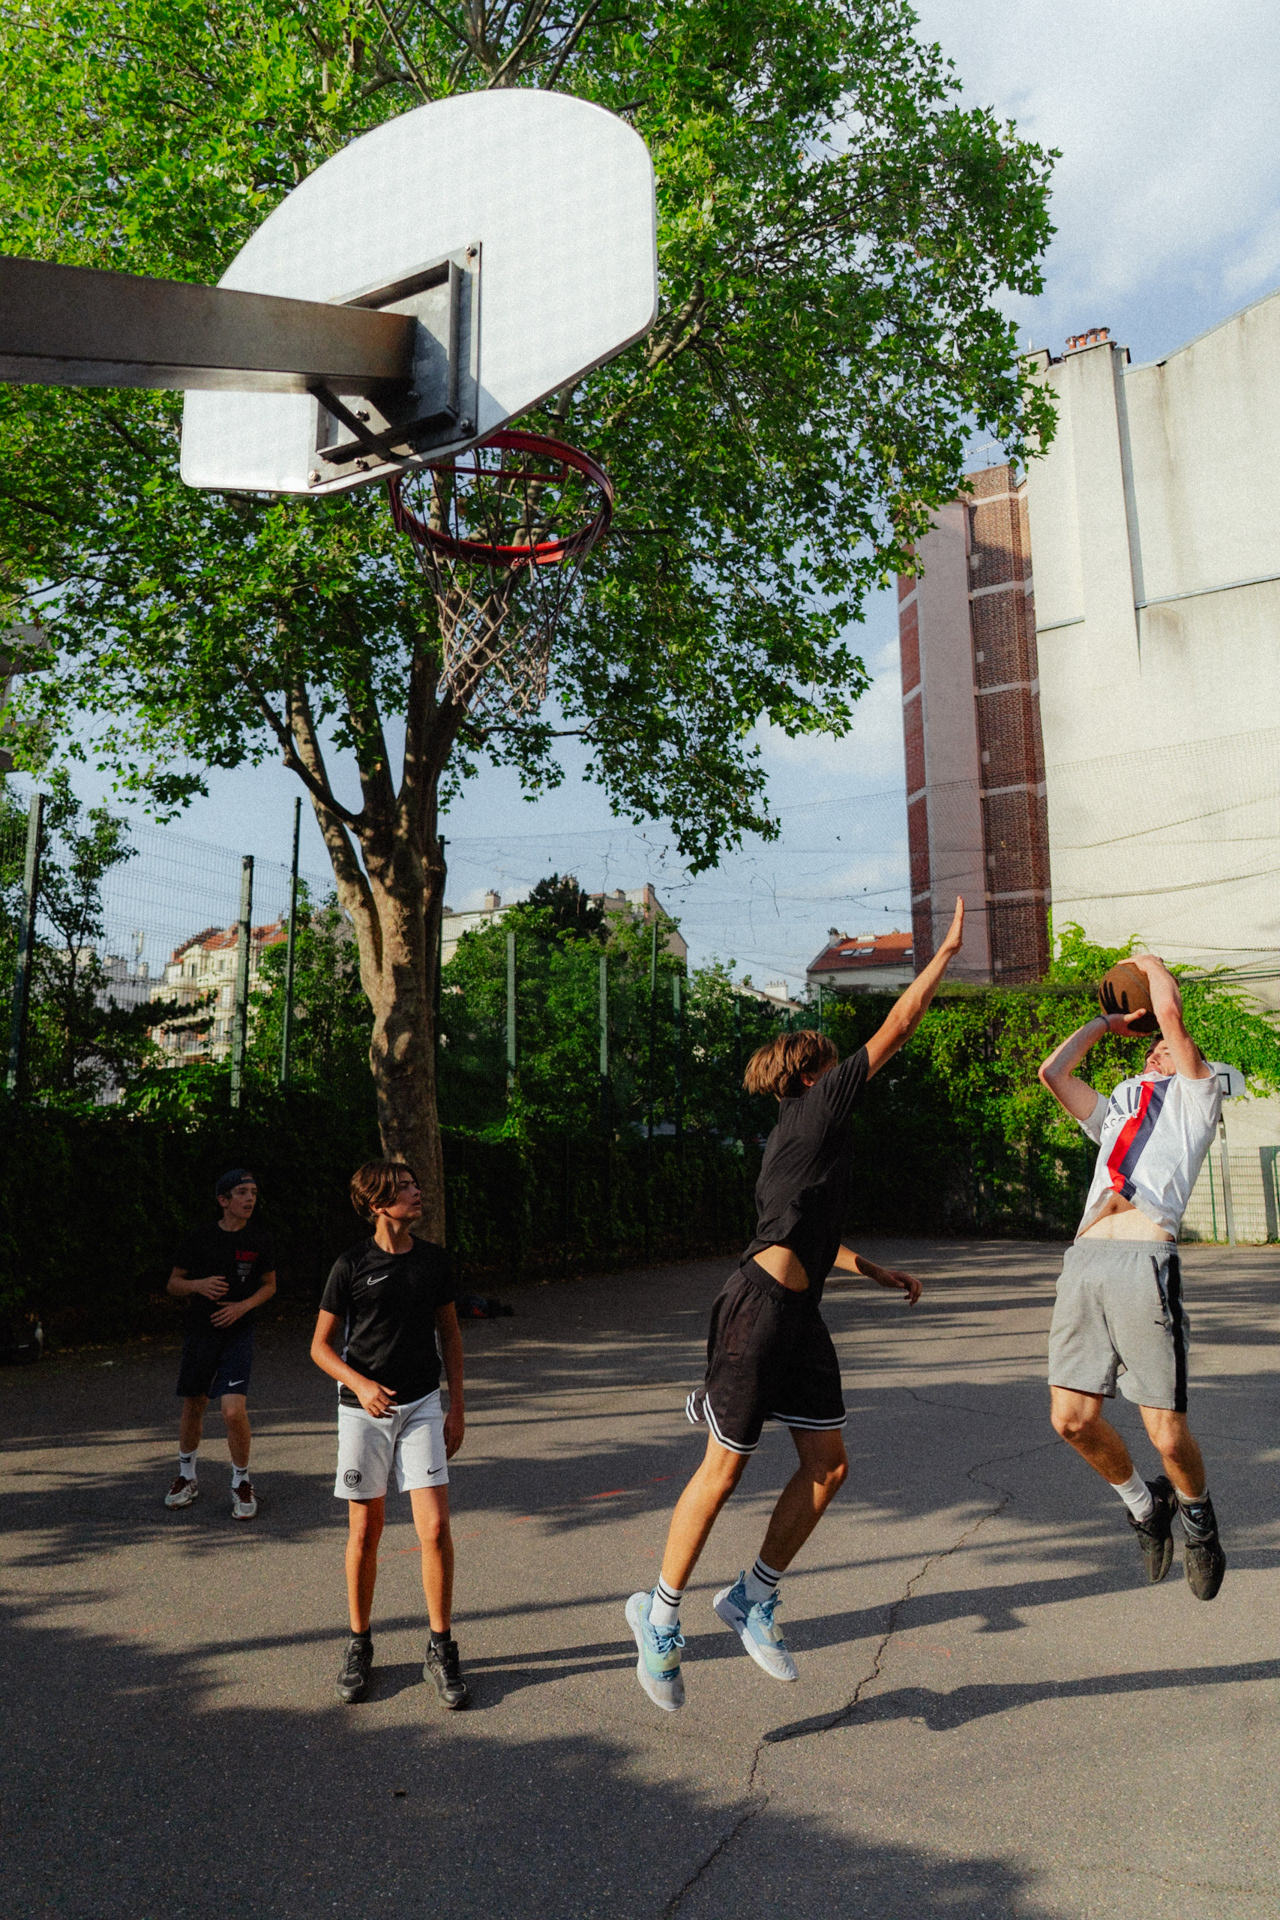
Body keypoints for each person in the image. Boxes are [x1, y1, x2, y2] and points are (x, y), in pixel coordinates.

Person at [627, 899, 966, 1711]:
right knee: (725, 1470)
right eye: (838, 1065)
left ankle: (752, 1595)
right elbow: (900, 1024)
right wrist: (947, 951)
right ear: (814, 1075)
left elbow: (799, 1229)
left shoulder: (806, 1141)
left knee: (830, 1465)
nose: (853, 1073)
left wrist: (869, 1268)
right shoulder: (815, 1109)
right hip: (758, 1312)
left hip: (798, 1314)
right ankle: (659, 1616)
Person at [1038, 952, 1227, 1601]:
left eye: (1172, 1047)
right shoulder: (1120, 1103)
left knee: (1166, 1434)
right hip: (1086, 1261)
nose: (1161, 1050)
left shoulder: (1197, 1099)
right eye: (1155, 1047)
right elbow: (1052, 1072)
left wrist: (1149, 964)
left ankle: (1199, 1521)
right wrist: (1104, 1023)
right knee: (1071, 1420)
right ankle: (1147, 1508)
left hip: (1145, 1262)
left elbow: (1169, 1013)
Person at [311, 1160, 468, 1710]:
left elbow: (451, 1335)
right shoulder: (351, 1265)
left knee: (436, 1527)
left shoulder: (434, 1261)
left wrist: (456, 1406)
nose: (416, 1191)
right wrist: (360, 1384)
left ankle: (441, 1647)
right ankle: (359, 1644)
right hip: (363, 1411)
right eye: (404, 1188)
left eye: (415, 1184)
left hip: (423, 1404)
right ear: (377, 1204)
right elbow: (320, 1347)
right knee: (365, 1532)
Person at [164, 1168, 276, 1520]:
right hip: (201, 1331)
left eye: (253, 1193)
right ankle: (186, 1477)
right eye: (242, 1193)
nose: (250, 1199)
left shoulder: (259, 1238)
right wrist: (198, 1286)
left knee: (232, 1411)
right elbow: (173, 1284)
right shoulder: (199, 1238)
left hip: (237, 1334)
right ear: (223, 1200)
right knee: (194, 1404)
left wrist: (243, 1307)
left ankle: (241, 1481)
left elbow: (269, 1285)